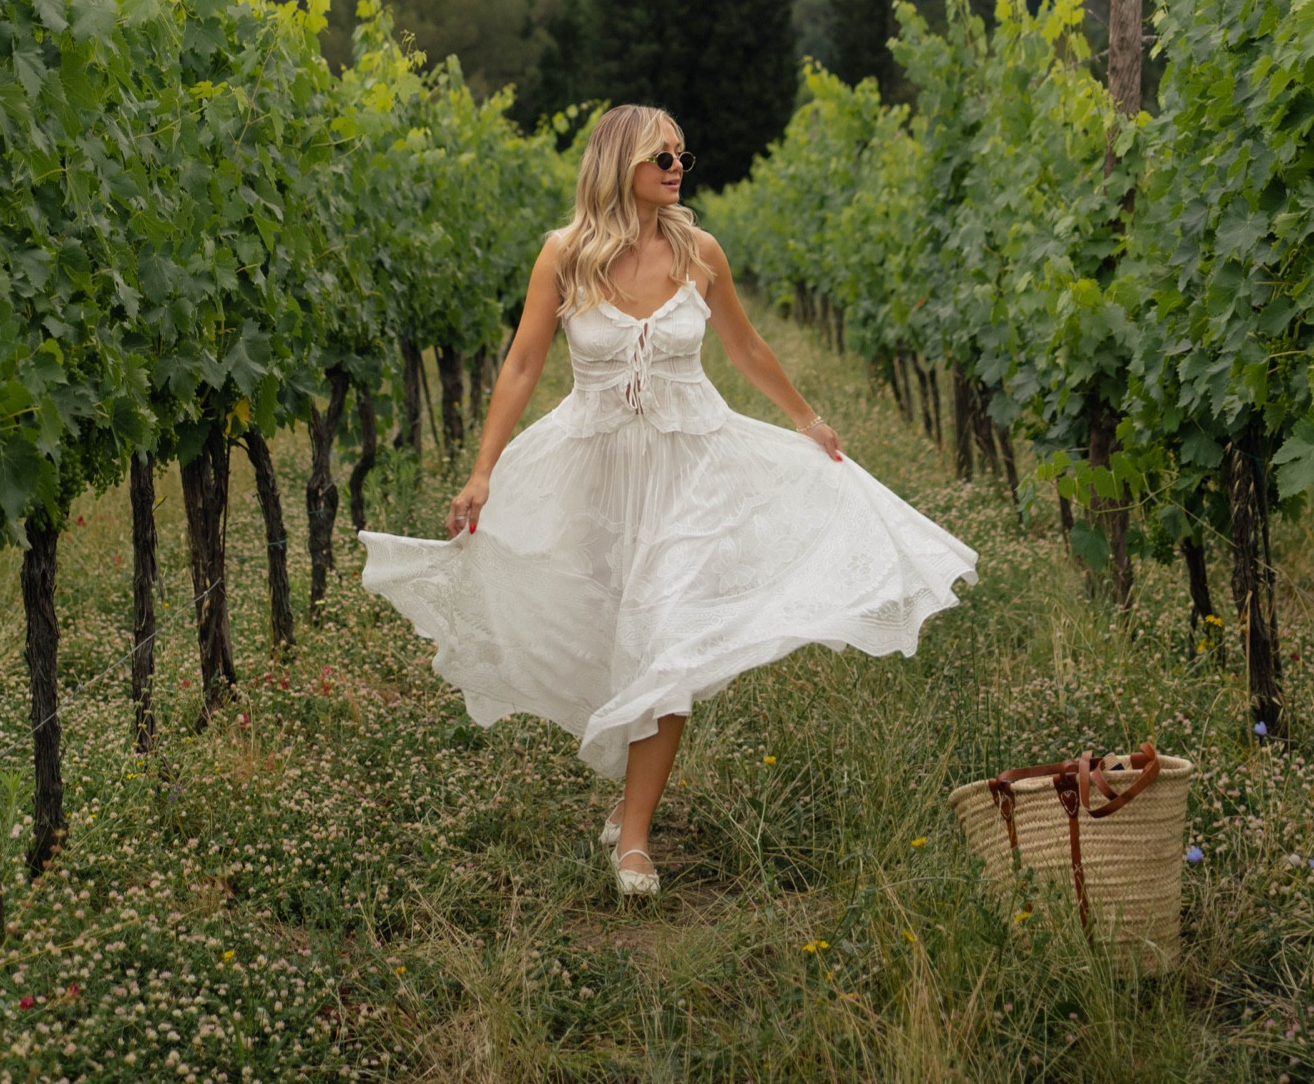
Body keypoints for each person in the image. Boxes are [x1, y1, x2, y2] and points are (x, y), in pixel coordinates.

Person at [359, 105, 977, 895]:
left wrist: (806, 419)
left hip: (693, 469)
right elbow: (519, 367)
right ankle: (629, 796)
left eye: (683, 153)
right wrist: (482, 470)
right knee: (608, 627)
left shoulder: (698, 250)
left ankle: (635, 841)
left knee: (672, 633)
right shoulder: (565, 255)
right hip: (596, 470)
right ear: (621, 163)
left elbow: (746, 347)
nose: (678, 166)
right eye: (662, 155)